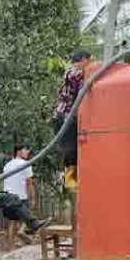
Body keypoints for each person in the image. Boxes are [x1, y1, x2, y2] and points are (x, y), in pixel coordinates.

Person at [53, 50, 92, 185]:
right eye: (89, 61)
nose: (89, 64)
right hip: (66, 117)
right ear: (82, 59)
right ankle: (69, 181)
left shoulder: (71, 73)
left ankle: (68, 180)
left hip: (65, 117)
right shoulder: (74, 73)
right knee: (71, 151)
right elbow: (84, 82)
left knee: (70, 150)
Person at [2, 144, 38, 250]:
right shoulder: (26, 164)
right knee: (27, 216)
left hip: (7, 196)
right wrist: (32, 197)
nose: (27, 152)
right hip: (20, 197)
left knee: (11, 221)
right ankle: (21, 231)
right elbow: (29, 182)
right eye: (25, 150)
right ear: (18, 152)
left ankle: (11, 247)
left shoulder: (7, 165)